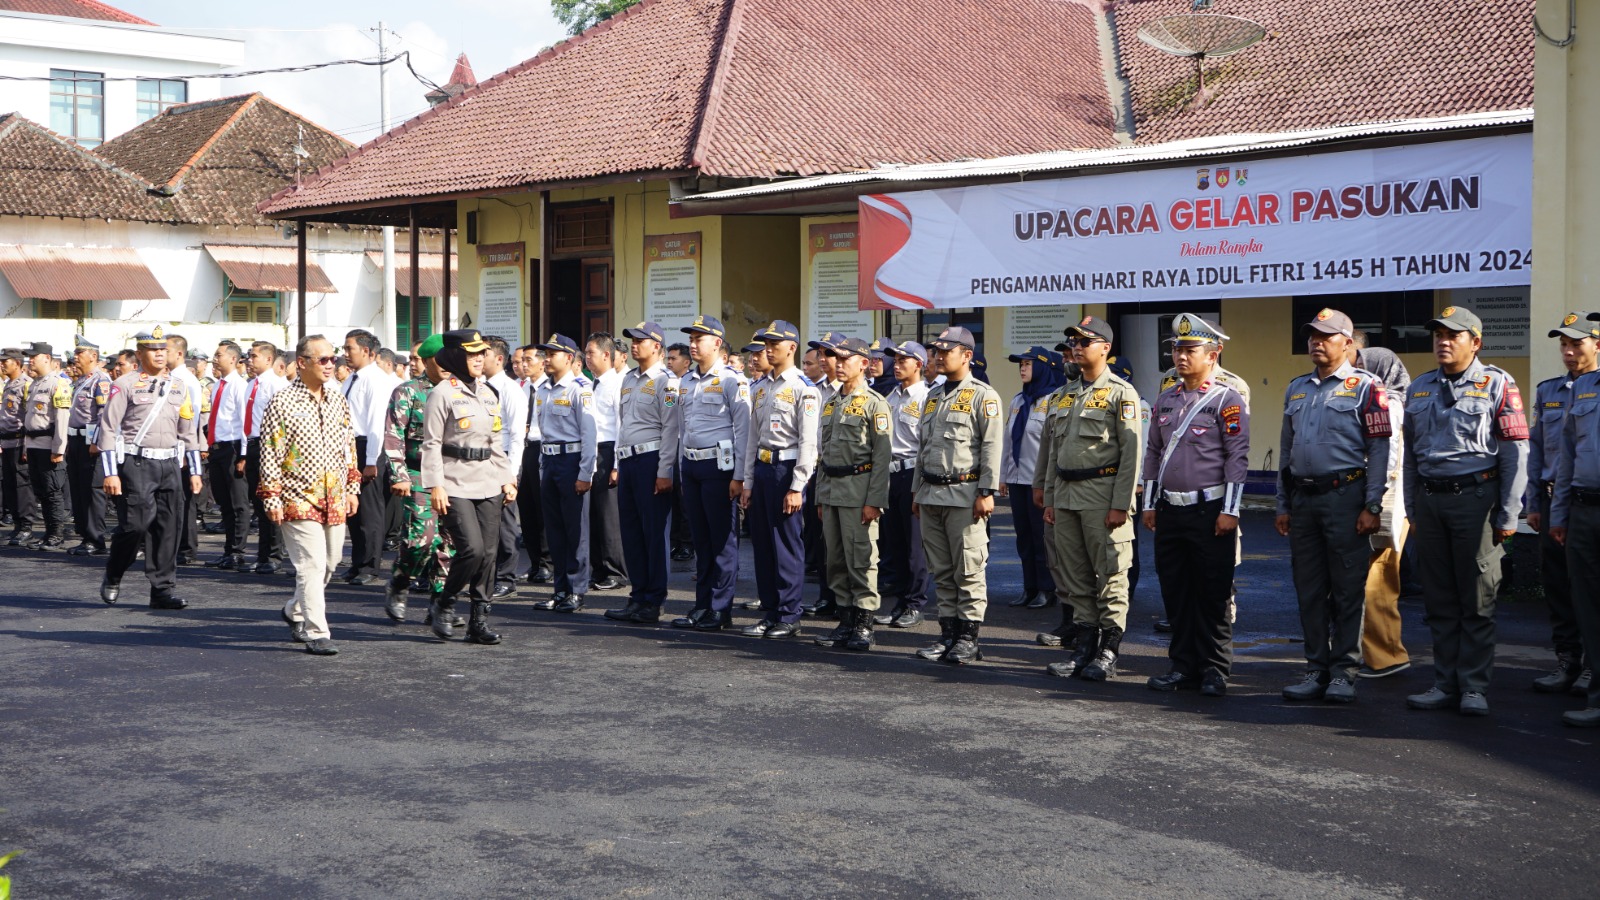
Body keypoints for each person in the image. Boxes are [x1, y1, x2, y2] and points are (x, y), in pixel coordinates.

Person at [1402, 306, 1527, 717]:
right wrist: (1411, 510)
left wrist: (1509, 514)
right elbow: (1409, 459)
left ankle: (1473, 686)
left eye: (1453, 335)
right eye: (1438, 334)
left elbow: (1514, 454)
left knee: (1477, 596)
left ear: (1475, 342)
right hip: (1430, 502)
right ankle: (1444, 682)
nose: (1442, 341)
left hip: (1477, 500)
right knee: (1438, 598)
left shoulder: (1497, 384)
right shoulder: (1419, 388)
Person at [1274, 309, 1394, 703]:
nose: (1316, 342)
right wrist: (1282, 504)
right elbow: (1287, 452)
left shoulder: (1366, 387)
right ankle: (1315, 669)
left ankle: (1344, 671)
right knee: (1308, 588)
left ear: (1348, 342)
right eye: (1312, 336)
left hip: (1346, 497)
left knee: (1346, 589)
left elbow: (1380, 448)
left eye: (1325, 336)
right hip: (1304, 500)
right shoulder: (1297, 389)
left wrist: (1372, 504)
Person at [1144, 314, 1251, 697]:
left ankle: (1215, 669)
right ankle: (1183, 666)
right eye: (1176, 349)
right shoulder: (1166, 398)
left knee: (1213, 593)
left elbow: (1237, 458)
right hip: (1171, 510)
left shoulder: (1227, 398)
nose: (1180, 356)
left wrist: (1231, 510)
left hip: (1211, 511)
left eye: (1190, 350)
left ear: (1213, 354)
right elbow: (1154, 452)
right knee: (1177, 591)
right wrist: (1149, 503)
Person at [1036, 317, 1142, 681]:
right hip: (1065, 496)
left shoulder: (1120, 393)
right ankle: (1083, 649)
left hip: (1102, 494)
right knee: (1076, 576)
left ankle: (1109, 652)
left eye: (1085, 341)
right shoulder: (1063, 394)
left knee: (1111, 574)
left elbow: (1131, 454)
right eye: (1073, 341)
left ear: (1106, 348)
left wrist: (1121, 504)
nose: (1077, 346)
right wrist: (1049, 497)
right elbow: (1053, 453)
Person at [258, 335, 362, 655]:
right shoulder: (282, 401)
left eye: (335, 359)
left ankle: (294, 611)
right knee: (311, 565)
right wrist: (271, 497)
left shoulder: (338, 400)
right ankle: (317, 632)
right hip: (296, 495)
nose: (332, 365)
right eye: (324, 360)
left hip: (333, 495)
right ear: (302, 363)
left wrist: (352, 487)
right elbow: (269, 452)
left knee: (331, 562)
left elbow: (349, 448)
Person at [911, 326, 1004, 664]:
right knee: (943, 570)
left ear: (967, 355)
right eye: (934, 351)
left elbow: (992, 446)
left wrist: (986, 490)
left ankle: (969, 638)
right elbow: (924, 448)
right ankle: (947, 635)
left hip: (965, 493)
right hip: (931, 493)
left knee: (968, 568)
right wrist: (916, 491)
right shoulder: (933, 396)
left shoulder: (983, 395)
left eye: (944, 351)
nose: (936, 356)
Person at [419, 329, 517, 643]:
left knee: (488, 554)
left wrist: (507, 478)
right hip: (454, 481)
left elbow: (496, 441)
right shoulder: (442, 393)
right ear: (457, 356)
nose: (479, 359)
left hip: (488, 480)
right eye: (472, 354)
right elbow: (431, 444)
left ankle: (479, 622)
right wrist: (435, 485)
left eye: (482, 354)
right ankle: (445, 602)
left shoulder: (490, 393)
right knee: (471, 550)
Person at [97, 326, 203, 610]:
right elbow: (107, 428)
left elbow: (188, 431)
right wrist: (110, 472)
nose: (159, 354)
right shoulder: (126, 383)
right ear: (140, 353)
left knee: (167, 528)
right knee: (134, 526)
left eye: (163, 350)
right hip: (137, 463)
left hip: (169, 463)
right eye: (153, 350)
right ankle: (114, 572)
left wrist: (194, 471)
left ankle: (162, 590)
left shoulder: (178, 385)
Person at [1525, 312, 1598, 694]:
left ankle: (1592, 666)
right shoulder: (1548, 391)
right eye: (1563, 345)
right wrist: (1532, 501)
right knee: (1558, 586)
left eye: (1576, 344)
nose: (1568, 352)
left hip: (1587, 503)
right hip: (1555, 501)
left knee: (1589, 588)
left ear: (1595, 344)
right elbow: (1537, 449)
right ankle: (1567, 661)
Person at [739, 320, 820, 639]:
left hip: (786, 471)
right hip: (761, 469)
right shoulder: (758, 388)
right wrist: (747, 481)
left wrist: (798, 486)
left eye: (775, 343)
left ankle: (789, 614)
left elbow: (809, 443)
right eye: (766, 343)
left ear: (792, 348)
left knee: (786, 544)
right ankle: (771, 611)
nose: (768, 348)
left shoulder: (803, 388)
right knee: (761, 544)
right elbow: (750, 439)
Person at [669, 316, 750, 630]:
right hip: (691, 465)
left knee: (722, 541)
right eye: (690, 338)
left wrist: (739, 476)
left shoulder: (733, 380)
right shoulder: (686, 381)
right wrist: (680, 467)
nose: (692, 343)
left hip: (720, 467)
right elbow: (682, 427)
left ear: (717, 343)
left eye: (698, 338)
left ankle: (720, 608)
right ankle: (701, 605)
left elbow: (742, 430)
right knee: (701, 541)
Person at [812, 336, 891, 651]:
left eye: (845, 359)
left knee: (861, 559)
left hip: (859, 492)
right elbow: (825, 454)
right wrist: (820, 495)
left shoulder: (875, 403)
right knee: (835, 560)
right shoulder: (832, 401)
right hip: (831, 491)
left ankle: (864, 625)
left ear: (864, 363)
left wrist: (875, 501)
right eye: (836, 358)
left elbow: (882, 458)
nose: (839, 364)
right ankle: (845, 621)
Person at [1345, 333, 1414, 679]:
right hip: (1379, 501)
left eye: (1361, 366)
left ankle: (1386, 655)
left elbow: (1388, 461)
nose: (1355, 373)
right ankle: (1367, 652)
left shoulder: (1390, 403)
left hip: (1385, 503)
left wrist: (1375, 504)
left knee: (1378, 579)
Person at [604, 322, 679, 625]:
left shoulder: (667, 382)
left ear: (657, 346)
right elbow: (623, 426)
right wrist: (619, 464)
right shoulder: (629, 380)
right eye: (632, 341)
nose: (634, 345)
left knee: (654, 533)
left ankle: (654, 599)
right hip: (629, 461)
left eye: (641, 341)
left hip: (652, 461)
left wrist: (665, 470)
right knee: (632, 532)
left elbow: (672, 428)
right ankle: (637, 596)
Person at [1550, 311, 1600, 726]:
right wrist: (1560, 512)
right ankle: (1597, 699)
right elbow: (1567, 457)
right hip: (1584, 510)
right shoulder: (1583, 388)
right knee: (1587, 605)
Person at [383, 335, 455, 624]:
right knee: (421, 540)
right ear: (427, 362)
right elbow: (394, 435)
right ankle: (400, 582)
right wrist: (399, 475)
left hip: (452, 475)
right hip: (417, 474)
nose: (449, 365)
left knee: (449, 543)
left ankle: (440, 604)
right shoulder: (408, 392)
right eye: (442, 359)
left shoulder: (459, 390)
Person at [531, 333, 597, 614]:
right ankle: (560, 590)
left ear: (569, 358)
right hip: (550, 462)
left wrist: (585, 473)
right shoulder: (543, 389)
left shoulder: (580, 389)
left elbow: (589, 435)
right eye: (545, 353)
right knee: (555, 531)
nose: (546, 358)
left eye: (552, 354)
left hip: (572, 462)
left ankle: (576, 590)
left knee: (576, 531)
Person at [874, 341, 932, 628]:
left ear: (919, 364)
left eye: (903, 360)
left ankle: (914, 603)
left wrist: (919, 486)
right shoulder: (892, 396)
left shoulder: (926, 398)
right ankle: (899, 601)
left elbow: (925, 445)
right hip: (890, 473)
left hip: (912, 472)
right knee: (893, 541)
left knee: (913, 544)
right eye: (894, 360)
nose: (896, 365)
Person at [1003, 345, 1065, 609]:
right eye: (1020, 365)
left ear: (1041, 367)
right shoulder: (1018, 400)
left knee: (1042, 539)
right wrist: (1004, 476)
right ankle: (1029, 587)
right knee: (1024, 538)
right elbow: (1009, 441)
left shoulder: (1054, 399)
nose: (1022, 369)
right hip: (1017, 481)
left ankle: (1047, 588)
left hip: (1038, 482)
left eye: (1028, 364)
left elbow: (1054, 447)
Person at [339, 330, 401, 585]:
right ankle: (357, 561)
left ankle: (370, 566)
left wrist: (372, 461)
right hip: (350, 447)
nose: (345, 354)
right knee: (353, 510)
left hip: (368, 447)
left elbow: (378, 422)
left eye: (349, 348)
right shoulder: (351, 379)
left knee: (370, 511)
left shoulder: (376, 379)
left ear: (366, 351)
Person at [802, 333, 847, 618]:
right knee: (820, 538)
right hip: (817, 468)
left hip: (843, 472)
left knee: (843, 541)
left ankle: (845, 600)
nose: (822, 358)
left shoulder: (849, 389)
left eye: (827, 353)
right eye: (819, 352)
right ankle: (825, 594)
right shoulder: (814, 389)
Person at [584, 332, 629, 592]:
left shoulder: (617, 384)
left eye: (591, 353)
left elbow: (621, 425)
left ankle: (615, 570)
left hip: (609, 450)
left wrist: (616, 465)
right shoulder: (592, 384)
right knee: (593, 514)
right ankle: (598, 568)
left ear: (606, 355)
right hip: (592, 451)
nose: (587, 358)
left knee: (608, 515)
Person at [484, 336, 528, 600]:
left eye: (484, 354)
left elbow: (515, 435)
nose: (478, 359)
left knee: (505, 521)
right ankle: (487, 575)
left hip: (504, 460)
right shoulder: (476, 386)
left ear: (499, 359)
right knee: (485, 520)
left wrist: (511, 472)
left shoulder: (510, 390)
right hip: (480, 460)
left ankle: (506, 577)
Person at [202, 341, 251, 569]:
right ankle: (228, 550)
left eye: (219, 354)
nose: (215, 358)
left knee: (238, 503)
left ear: (233, 358)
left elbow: (244, 423)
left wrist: (243, 455)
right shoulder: (219, 385)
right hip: (218, 449)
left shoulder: (239, 386)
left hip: (233, 449)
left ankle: (237, 552)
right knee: (224, 503)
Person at [243, 341, 290, 574]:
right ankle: (262, 555)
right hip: (252, 445)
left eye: (254, 357)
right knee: (259, 503)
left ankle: (274, 555)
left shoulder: (277, 385)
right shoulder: (251, 384)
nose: (250, 361)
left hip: (270, 447)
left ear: (269, 360)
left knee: (272, 501)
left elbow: (283, 423)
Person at [22, 341, 71, 550]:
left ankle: (56, 536)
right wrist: (25, 447)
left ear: (47, 358)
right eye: (29, 357)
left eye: (34, 356)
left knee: (53, 492)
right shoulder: (34, 384)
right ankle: (48, 533)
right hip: (33, 444)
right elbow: (29, 418)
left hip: (48, 446)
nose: (30, 360)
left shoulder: (57, 384)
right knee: (41, 491)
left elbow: (62, 418)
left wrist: (58, 448)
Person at [65, 336, 112, 556]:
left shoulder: (100, 381)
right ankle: (85, 535)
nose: (75, 358)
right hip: (75, 439)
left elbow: (104, 415)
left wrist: (97, 441)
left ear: (93, 356)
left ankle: (96, 539)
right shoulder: (80, 380)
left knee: (93, 491)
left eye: (79, 353)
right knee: (78, 489)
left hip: (90, 441)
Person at [165, 334, 203, 566]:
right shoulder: (169, 377)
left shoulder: (187, 380)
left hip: (182, 449)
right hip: (169, 449)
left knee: (184, 503)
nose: (161, 354)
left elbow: (192, 420)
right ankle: (176, 546)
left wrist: (188, 453)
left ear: (179, 353)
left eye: (166, 350)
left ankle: (187, 549)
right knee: (173, 501)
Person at [0, 348, 36, 545]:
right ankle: (17, 524)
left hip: (19, 441)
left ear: (17, 363)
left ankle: (26, 526)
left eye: (6, 361)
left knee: (22, 485)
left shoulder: (26, 385)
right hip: (7, 441)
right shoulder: (9, 384)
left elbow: (28, 418)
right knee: (10, 485)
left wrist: (25, 448)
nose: (2, 364)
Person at [664, 342, 694, 561]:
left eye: (673, 358)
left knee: (684, 497)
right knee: (672, 495)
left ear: (686, 361)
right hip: (670, 441)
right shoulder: (666, 381)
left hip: (685, 441)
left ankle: (687, 543)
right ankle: (675, 541)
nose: (669, 361)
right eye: (668, 358)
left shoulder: (690, 382)